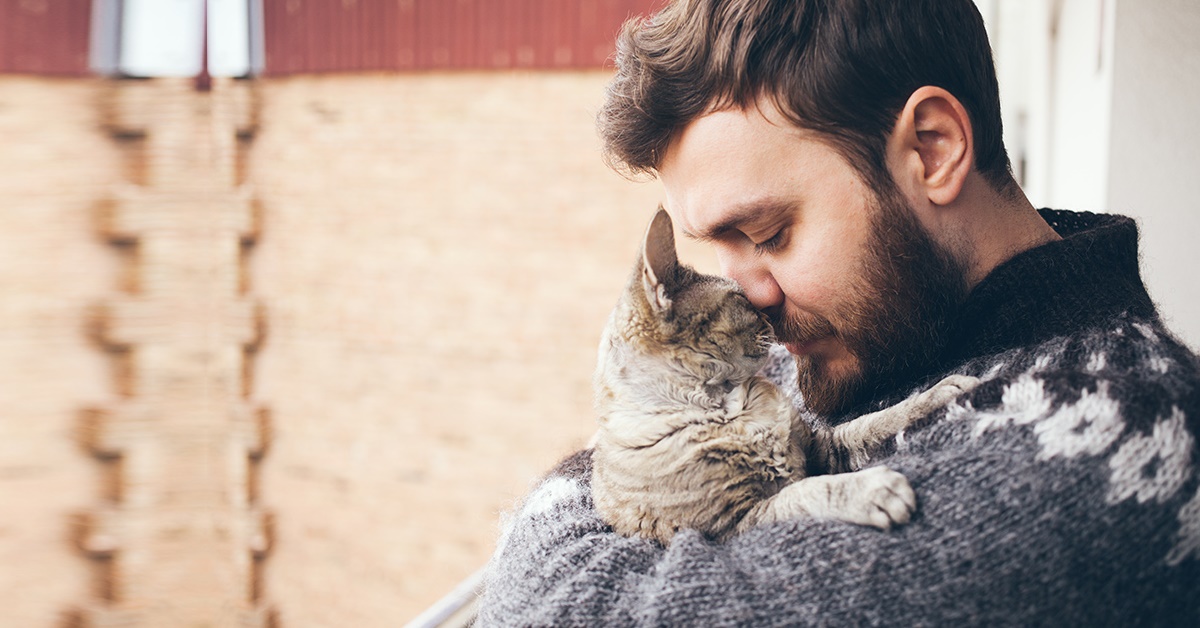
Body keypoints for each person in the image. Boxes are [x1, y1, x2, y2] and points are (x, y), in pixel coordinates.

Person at [478, 0, 1200, 624]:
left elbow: (549, 609)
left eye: (767, 234)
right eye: (722, 251)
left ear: (933, 149)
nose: (751, 297)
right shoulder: (865, 338)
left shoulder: (1108, 448)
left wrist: (619, 474)